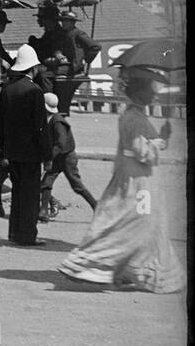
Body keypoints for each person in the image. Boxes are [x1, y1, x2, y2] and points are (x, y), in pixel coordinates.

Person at [58, 69, 185, 292]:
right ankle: (98, 264)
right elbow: (141, 151)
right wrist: (159, 143)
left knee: (137, 221)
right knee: (133, 221)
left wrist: (161, 138)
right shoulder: (133, 118)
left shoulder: (134, 115)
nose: (153, 95)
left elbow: (144, 145)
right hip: (136, 177)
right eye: (150, 91)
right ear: (140, 93)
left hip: (135, 175)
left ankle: (124, 267)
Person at [0, 45, 52, 245]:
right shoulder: (35, 91)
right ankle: (27, 235)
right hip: (31, 153)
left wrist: (4, 150)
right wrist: (47, 155)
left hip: (12, 151)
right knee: (29, 195)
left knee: (18, 193)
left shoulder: (7, 90)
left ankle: (14, 232)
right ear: (33, 69)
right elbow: (40, 128)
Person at [39, 93, 96, 222]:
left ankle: (96, 206)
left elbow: (61, 142)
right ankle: (43, 211)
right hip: (58, 157)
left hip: (67, 158)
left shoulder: (58, 121)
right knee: (46, 182)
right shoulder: (51, 119)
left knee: (76, 185)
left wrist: (49, 157)